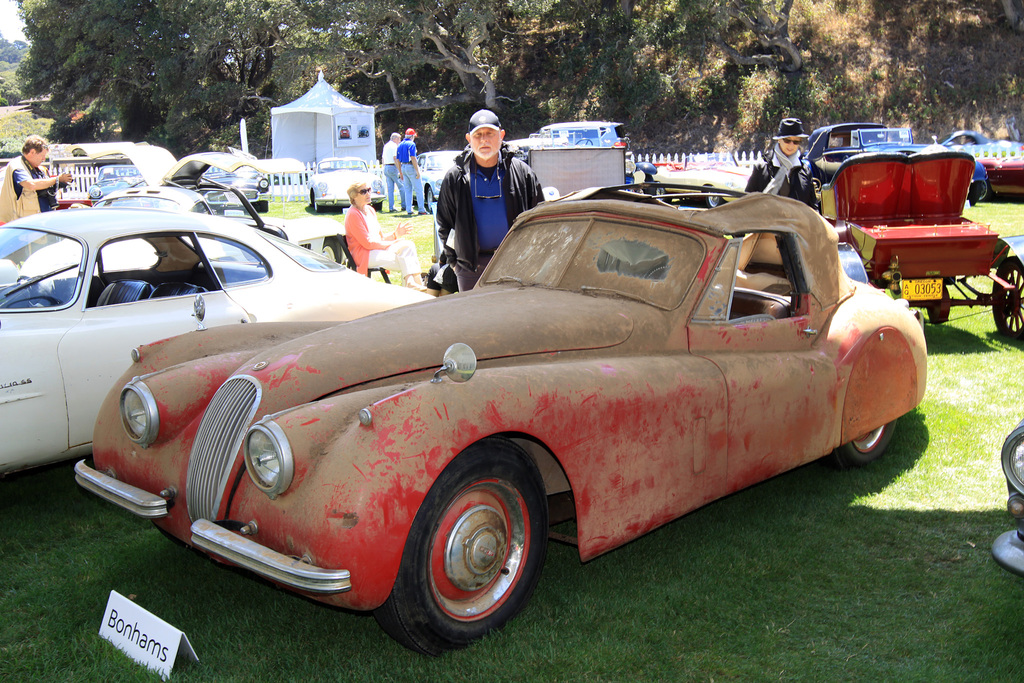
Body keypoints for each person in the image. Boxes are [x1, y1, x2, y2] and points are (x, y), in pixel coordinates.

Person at [436, 109, 544, 291]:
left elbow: (540, 216)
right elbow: (445, 224)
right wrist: (455, 262)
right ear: (469, 139)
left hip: (516, 264)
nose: (484, 140)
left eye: (490, 134)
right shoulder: (456, 177)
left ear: (501, 135)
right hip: (471, 269)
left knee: (513, 317)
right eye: (478, 135)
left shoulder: (521, 172)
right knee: (476, 318)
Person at [343, 175, 427, 291]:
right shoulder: (353, 214)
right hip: (364, 254)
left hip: (375, 249)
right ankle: (419, 292)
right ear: (354, 196)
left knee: (408, 245)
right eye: (363, 191)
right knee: (406, 261)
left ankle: (411, 284)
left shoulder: (370, 210)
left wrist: (395, 235)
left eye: (369, 190)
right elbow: (367, 243)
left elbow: (380, 238)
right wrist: (392, 243)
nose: (368, 193)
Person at [745, 117, 817, 209]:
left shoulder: (805, 171)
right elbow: (747, 203)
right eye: (787, 140)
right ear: (779, 139)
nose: (791, 145)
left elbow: (812, 208)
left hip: (797, 223)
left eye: (796, 141)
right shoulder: (762, 168)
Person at [0, 135, 74, 222]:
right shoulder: (17, 166)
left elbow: (41, 187)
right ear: (32, 152)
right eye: (42, 155)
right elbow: (31, 184)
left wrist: (56, 185)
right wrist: (56, 180)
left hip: (40, 218)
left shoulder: (37, 168)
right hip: (25, 222)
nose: (43, 159)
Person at [396, 128, 427, 217]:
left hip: (403, 166)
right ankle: (421, 209)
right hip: (410, 167)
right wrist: (417, 171)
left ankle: (409, 209)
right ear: (412, 136)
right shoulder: (411, 144)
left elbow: (397, 159)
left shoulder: (400, 145)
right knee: (419, 189)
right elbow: (413, 158)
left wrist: (400, 172)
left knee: (408, 189)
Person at [381, 132, 402, 213]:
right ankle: (404, 205)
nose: (399, 141)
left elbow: (383, 158)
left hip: (386, 167)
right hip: (393, 167)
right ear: (395, 139)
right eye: (399, 139)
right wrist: (399, 170)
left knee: (390, 189)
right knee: (401, 187)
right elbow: (395, 158)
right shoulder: (394, 146)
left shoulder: (386, 145)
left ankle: (391, 206)